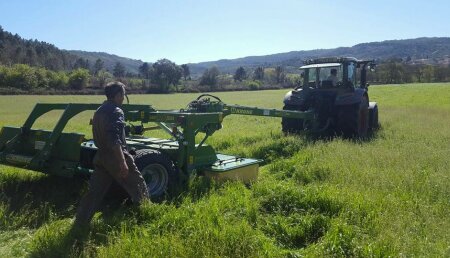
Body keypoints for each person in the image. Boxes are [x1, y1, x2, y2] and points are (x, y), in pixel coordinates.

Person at [74, 81, 149, 226]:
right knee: (138, 186)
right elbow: (114, 139)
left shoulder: (99, 110)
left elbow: (106, 133)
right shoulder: (116, 111)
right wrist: (122, 162)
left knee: (94, 193)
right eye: (124, 94)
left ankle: (80, 222)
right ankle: (147, 216)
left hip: (101, 157)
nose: (124, 97)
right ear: (118, 95)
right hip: (115, 157)